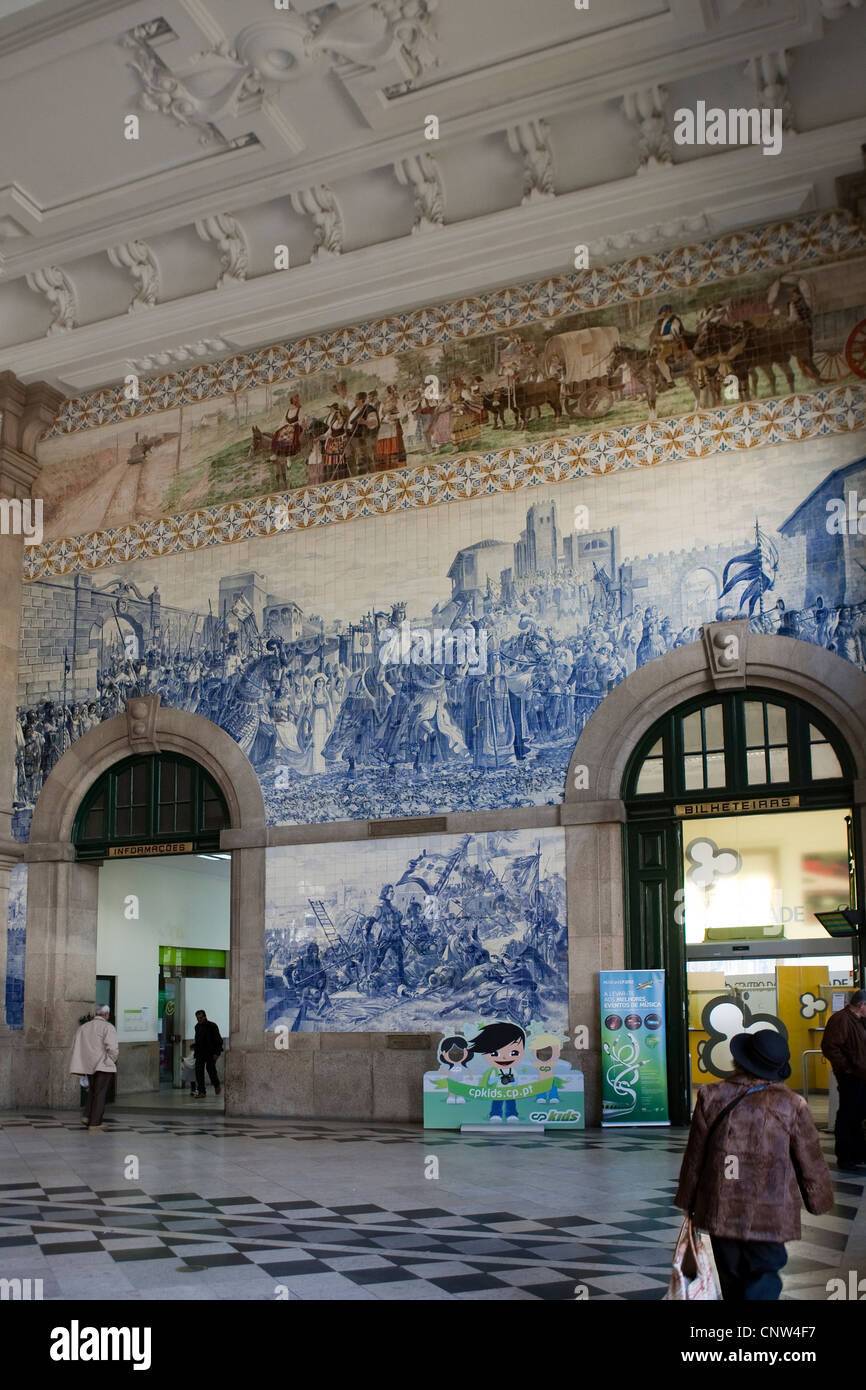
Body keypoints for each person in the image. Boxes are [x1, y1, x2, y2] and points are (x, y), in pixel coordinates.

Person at [675, 1029, 833, 1301]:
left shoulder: (711, 1096)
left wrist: (688, 1200)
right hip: (771, 1211)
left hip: (720, 1208)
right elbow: (811, 1160)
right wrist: (818, 1200)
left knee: (732, 1276)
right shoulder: (791, 1104)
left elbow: (695, 1155)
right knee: (764, 1275)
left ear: (739, 1060)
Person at [821, 988, 866, 1171]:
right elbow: (830, 1047)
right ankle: (846, 1156)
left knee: (857, 1115)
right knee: (848, 1116)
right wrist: (846, 1068)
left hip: (860, 1075)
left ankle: (858, 1153)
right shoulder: (841, 1020)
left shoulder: (858, 1020)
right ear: (861, 1005)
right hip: (851, 1076)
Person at [69, 1005, 119, 1131]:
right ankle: (95, 1123)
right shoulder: (108, 1027)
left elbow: (76, 1045)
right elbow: (112, 1048)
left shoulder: (84, 1027)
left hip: (88, 1064)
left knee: (92, 1091)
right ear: (106, 1014)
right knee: (100, 1093)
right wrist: (111, 1060)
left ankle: (87, 1116)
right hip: (103, 1064)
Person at [192, 1009, 223, 1099]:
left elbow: (218, 1040)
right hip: (200, 1053)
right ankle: (202, 1091)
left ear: (205, 1017)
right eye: (197, 1018)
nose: (199, 1019)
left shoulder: (212, 1026)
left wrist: (217, 1053)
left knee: (211, 1070)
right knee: (199, 1072)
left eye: (201, 1017)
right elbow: (197, 1040)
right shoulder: (197, 1027)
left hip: (210, 1053)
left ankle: (216, 1084)